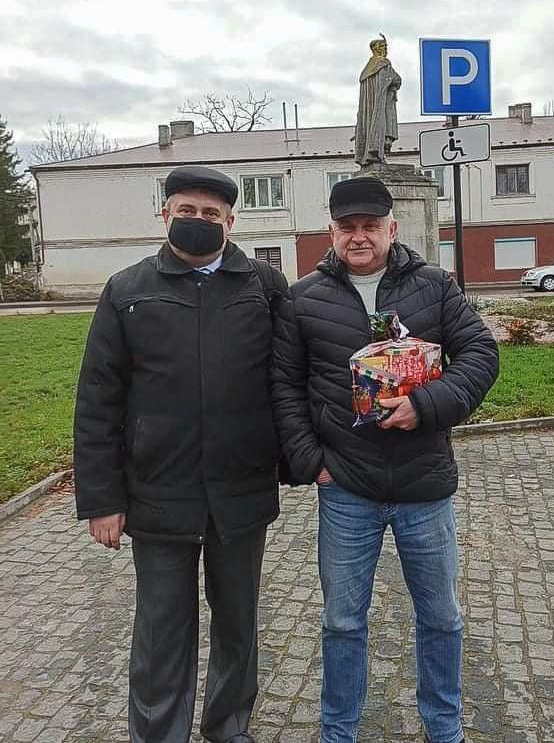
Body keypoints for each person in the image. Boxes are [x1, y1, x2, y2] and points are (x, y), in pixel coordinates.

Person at [272, 176, 499, 743]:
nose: (358, 237)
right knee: (343, 622)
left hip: (424, 486)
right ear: (332, 232)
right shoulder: (303, 300)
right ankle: (338, 731)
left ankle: (444, 728)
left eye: (370, 226)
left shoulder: (434, 286)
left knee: (442, 619)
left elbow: (481, 353)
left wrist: (425, 405)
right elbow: (284, 386)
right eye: (347, 227)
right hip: (347, 488)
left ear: (390, 229)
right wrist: (308, 460)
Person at [74, 164, 286, 743]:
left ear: (231, 221)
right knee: (162, 631)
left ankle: (228, 728)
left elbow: (286, 380)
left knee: (238, 624)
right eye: (187, 211)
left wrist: (300, 459)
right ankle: (159, 734)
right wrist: (101, 498)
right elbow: (97, 399)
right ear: (165, 214)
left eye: (211, 214)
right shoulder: (127, 289)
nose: (199, 222)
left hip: (240, 491)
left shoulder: (263, 286)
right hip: (157, 493)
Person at [354, 35, 402, 165]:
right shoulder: (383, 64)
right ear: (378, 49)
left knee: (370, 123)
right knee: (380, 124)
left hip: (369, 109)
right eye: (384, 47)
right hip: (383, 105)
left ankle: (368, 153)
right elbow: (396, 79)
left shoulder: (366, 70)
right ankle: (376, 151)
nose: (386, 50)